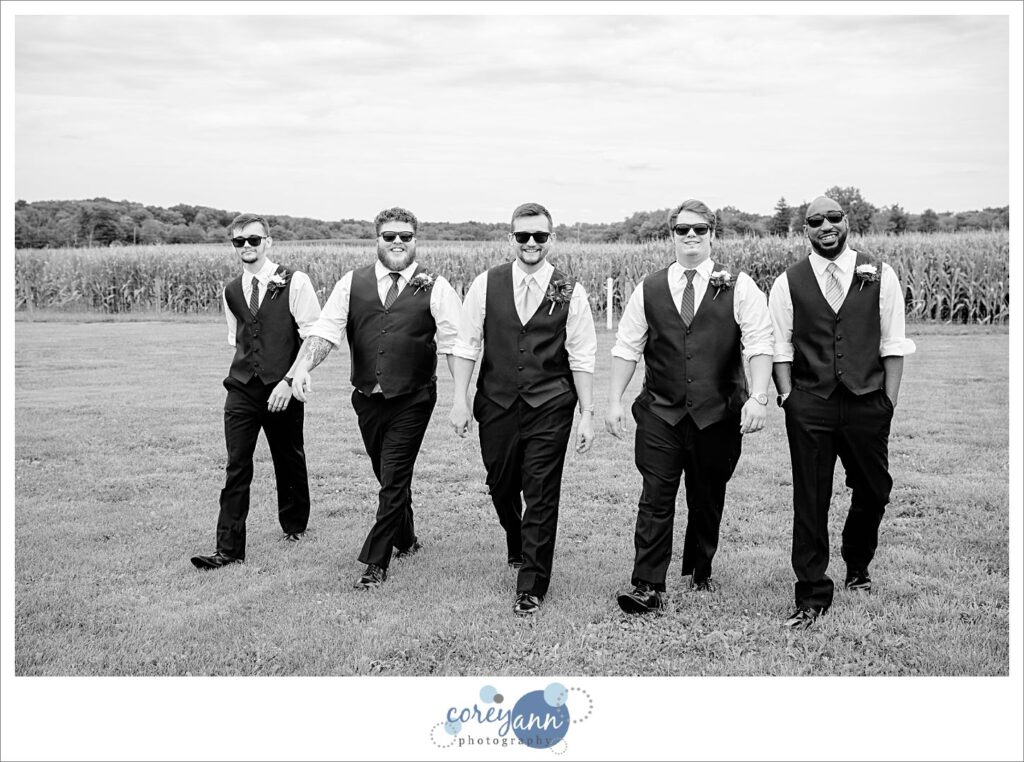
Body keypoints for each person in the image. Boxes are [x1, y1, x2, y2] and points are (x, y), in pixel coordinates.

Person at [605, 199, 774, 614]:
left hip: (718, 413)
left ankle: (700, 569)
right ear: (673, 235)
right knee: (655, 497)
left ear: (712, 234)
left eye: (700, 229)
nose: (691, 235)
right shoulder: (649, 288)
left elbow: (759, 342)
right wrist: (614, 401)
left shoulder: (739, 286)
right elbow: (627, 347)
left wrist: (759, 395)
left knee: (707, 496)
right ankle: (647, 585)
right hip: (660, 412)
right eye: (683, 229)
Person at [287, 207, 461, 589]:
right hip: (367, 397)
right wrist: (302, 367)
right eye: (389, 236)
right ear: (377, 239)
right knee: (387, 473)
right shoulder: (352, 283)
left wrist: (461, 399)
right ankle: (407, 538)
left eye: (405, 236)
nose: (397, 242)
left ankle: (375, 563)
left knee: (393, 477)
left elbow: (454, 344)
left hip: (414, 397)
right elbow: (325, 332)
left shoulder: (436, 287)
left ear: (415, 240)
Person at [769, 195, 915, 629]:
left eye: (833, 217)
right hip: (810, 403)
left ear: (846, 221)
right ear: (806, 230)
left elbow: (893, 342)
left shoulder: (880, 273)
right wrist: (788, 398)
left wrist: (887, 402)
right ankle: (812, 592)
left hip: (867, 400)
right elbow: (780, 346)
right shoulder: (788, 281)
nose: (826, 226)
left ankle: (857, 560)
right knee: (810, 497)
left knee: (874, 489)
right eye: (816, 221)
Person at [449, 202, 596, 617]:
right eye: (523, 236)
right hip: (496, 403)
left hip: (550, 404)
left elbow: (582, 354)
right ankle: (515, 536)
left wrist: (587, 412)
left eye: (540, 236)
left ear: (552, 239)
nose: (531, 243)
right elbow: (466, 344)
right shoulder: (485, 284)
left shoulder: (570, 290)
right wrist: (459, 399)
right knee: (500, 483)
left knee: (541, 491)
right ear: (511, 238)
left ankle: (531, 584)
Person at [191, 213, 322, 569]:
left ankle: (294, 525)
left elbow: (313, 337)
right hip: (241, 388)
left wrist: (290, 381)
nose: (246, 246)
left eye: (253, 239)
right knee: (237, 465)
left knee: (288, 456)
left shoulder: (295, 282)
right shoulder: (231, 290)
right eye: (239, 241)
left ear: (268, 242)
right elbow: (238, 337)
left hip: (283, 386)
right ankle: (228, 549)